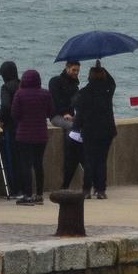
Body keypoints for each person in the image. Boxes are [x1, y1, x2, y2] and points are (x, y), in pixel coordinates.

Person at [9, 68, 53, 206]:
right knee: (38, 164)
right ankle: (39, 194)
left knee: (25, 166)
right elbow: (51, 112)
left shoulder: (19, 94)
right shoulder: (46, 94)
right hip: (41, 135)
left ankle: (27, 195)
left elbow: (14, 114)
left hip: (24, 135)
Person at [74, 65, 117, 200]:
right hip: (106, 130)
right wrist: (103, 68)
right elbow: (112, 82)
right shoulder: (107, 91)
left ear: (89, 77)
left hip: (90, 130)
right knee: (101, 160)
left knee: (89, 160)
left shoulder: (84, 92)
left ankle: (86, 189)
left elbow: (79, 113)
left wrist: (76, 126)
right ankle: (101, 190)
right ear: (104, 76)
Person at [49, 61, 82, 190]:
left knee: (75, 129)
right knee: (72, 129)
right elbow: (56, 100)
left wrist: (74, 116)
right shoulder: (55, 82)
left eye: (78, 71)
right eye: (74, 70)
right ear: (67, 68)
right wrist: (65, 113)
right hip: (56, 116)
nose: (76, 73)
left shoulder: (75, 85)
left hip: (70, 117)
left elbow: (76, 104)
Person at [0, 61, 21, 202]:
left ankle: (15, 189)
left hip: (11, 128)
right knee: (24, 160)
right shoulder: (23, 85)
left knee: (12, 160)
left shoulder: (6, 87)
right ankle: (25, 188)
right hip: (25, 127)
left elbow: (5, 105)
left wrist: (0, 119)